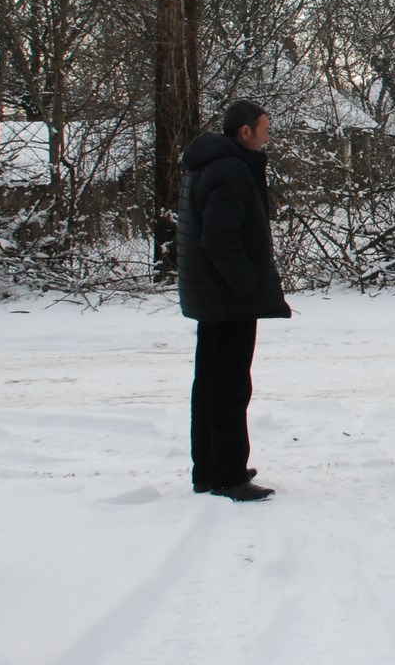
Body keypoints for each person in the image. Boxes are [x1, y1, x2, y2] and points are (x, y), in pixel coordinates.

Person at [177, 99, 291, 502]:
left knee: (210, 384)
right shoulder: (229, 170)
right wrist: (247, 284)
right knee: (229, 387)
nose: (268, 134)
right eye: (264, 128)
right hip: (226, 297)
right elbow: (219, 237)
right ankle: (227, 475)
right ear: (245, 132)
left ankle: (210, 469)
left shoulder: (209, 162)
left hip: (212, 295)